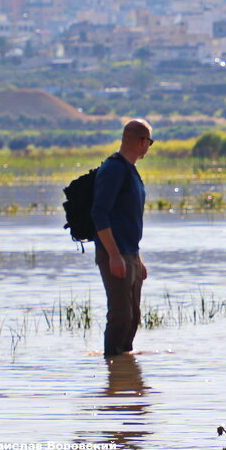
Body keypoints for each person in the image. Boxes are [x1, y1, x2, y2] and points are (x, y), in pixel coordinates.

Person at [91, 118, 153, 358]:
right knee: (120, 315)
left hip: (130, 253)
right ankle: (112, 363)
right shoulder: (114, 169)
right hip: (114, 253)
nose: (148, 147)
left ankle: (123, 369)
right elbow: (99, 213)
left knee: (133, 316)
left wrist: (138, 259)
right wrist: (114, 256)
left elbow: (126, 220)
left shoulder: (130, 170)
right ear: (141, 141)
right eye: (149, 141)